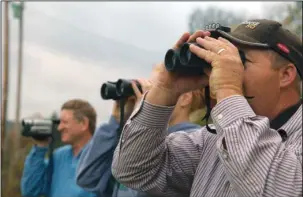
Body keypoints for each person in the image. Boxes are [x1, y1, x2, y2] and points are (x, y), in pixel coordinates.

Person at [111, 19, 302, 197]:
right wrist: (164, 90)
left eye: (239, 60)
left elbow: (278, 189)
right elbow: (132, 170)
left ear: (286, 74)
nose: (224, 67)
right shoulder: (210, 140)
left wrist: (228, 88)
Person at [76, 68, 206, 197]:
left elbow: (146, 184)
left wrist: (143, 112)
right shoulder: (136, 140)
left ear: (185, 98)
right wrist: (115, 122)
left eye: (158, 88)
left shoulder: (192, 144)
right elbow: (88, 178)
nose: (150, 96)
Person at [21, 99, 98, 197]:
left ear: (83, 124)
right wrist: (41, 146)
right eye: (59, 122)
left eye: (64, 122)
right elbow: (30, 190)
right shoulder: (59, 156)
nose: (59, 128)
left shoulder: (101, 157)